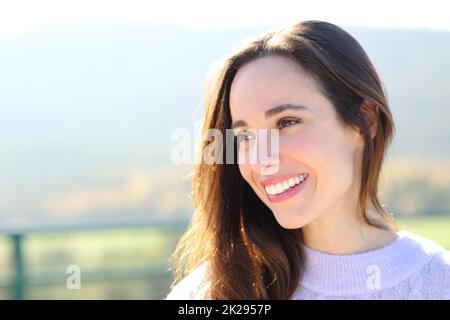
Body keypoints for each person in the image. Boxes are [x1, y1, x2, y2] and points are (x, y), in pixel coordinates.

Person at [166, 20, 450, 299]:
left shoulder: (438, 283)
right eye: (245, 136)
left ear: (364, 120)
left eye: (287, 122)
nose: (261, 159)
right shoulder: (209, 294)